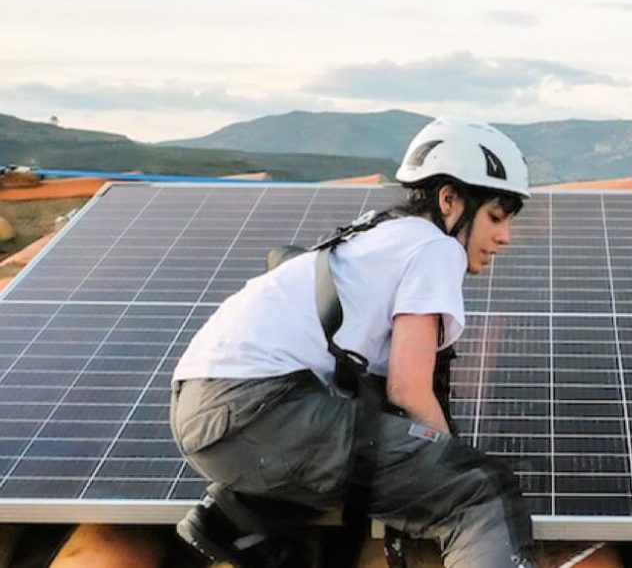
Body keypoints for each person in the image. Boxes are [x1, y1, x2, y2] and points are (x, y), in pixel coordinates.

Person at [169, 119, 536, 568]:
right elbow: (410, 389)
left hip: (207, 410)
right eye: (496, 217)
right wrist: (445, 464)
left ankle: (233, 517)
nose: (505, 237)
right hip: (262, 405)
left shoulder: (376, 233)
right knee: (479, 489)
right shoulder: (434, 247)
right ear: (449, 199)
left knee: (369, 441)